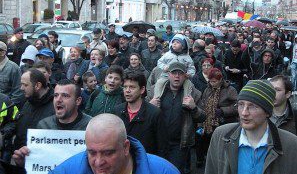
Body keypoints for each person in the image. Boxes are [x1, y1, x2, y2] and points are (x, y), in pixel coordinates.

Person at [204, 80, 297, 174]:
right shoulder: (220, 135)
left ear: (267, 112)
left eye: (253, 106)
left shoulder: (292, 144)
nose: (244, 113)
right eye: (241, 104)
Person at [48, 114, 180, 174]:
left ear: (126, 147)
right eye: (92, 152)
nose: (98, 162)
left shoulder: (164, 171)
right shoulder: (65, 171)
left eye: (108, 153)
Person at [12, 79, 92, 168]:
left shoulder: (91, 126)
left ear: (78, 101)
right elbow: (40, 163)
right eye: (56, 95)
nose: (58, 100)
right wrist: (25, 162)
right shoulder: (44, 125)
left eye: (65, 96)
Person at [148, 62, 206, 173]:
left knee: (173, 171)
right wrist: (150, 105)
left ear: (185, 76)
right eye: (174, 73)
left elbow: (202, 117)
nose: (177, 76)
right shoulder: (156, 90)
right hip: (157, 141)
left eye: (180, 73)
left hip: (179, 144)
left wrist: (193, 107)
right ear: (168, 74)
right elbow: (143, 111)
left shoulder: (194, 93)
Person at [114, 72, 168, 157]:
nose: (127, 90)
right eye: (125, 87)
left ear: (142, 90)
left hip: (145, 161)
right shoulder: (117, 111)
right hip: (122, 162)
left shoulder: (154, 113)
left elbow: (162, 147)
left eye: (132, 87)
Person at [197, 68, 238, 166]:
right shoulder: (207, 90)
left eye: (214, 81)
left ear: (220, 80)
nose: (212, 84)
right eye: (210, 81)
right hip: (208, 122)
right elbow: (202, 105)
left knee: (220, 146)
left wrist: (223, 111)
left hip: (223, 122)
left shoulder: (230, 90)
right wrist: (201, 124)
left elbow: (237, 105)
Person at [13, 69, 55, 151]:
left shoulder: (56, 106)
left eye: (25, 85)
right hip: (20, 156)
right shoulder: (26, 100)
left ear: (37, 86)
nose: (21, 88)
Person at [0, 41, 23, 106]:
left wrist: (8, 108)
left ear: (2, 53)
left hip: (4, 108)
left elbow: (18, 92)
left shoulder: (13, 68)